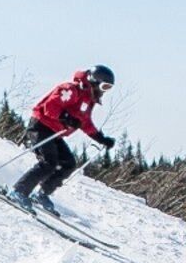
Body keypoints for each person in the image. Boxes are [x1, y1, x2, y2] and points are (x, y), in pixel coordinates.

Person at [11, 64, 117, 202]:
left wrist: (101, 138)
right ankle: (19, 191)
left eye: (109, 88)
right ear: (94, 81)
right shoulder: (71, 90)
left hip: (55, 132)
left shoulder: (87, 100)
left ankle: (43, 193)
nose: (104, 92)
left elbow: (84, 122)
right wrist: (66, 117)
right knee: (49, 162)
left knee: (69, 163)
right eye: (105, 87)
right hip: (41, 126)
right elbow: (50, 106)